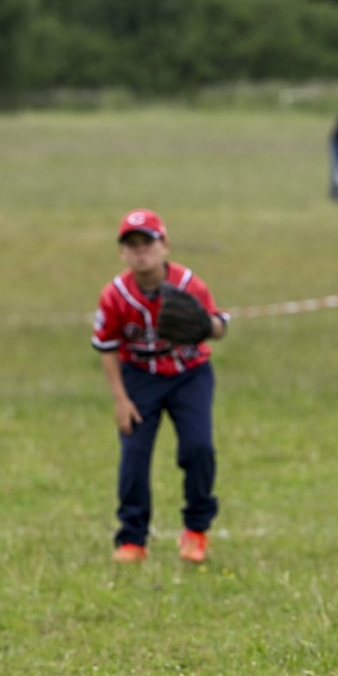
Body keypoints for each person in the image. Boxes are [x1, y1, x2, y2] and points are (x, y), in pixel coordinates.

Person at [91, 208, 230, 564]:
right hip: (140, 378)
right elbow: (107, 347)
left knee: (198, 448)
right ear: (122, 251)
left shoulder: (187, 285)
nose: (141, 251)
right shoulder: (116, 294)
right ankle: (132, 539)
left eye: (148, 243)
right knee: (134, 456)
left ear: (164, 244)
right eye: (132, 245)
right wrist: (121, 399)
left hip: (189, 374)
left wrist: (203, 325)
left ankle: (196, 530)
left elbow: (219, 327)